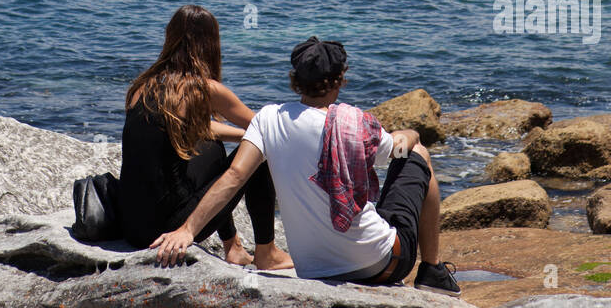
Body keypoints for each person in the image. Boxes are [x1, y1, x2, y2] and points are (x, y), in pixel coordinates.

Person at [152, 37, 459, 294]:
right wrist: (411, 133)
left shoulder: (268, 119)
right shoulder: (357, 125)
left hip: (314, 269)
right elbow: (400, 149)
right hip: (383, 265)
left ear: (295, 80)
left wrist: (187, 230)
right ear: (340, 80)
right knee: (418, 153)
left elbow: (234, 175)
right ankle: (432, 270)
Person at [119, 5, 292, 271]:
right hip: (168, 229)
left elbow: (197, 130)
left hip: (130, 224)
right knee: (258, 152)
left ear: (170, 37)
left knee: (211, 147)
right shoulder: (204, 89)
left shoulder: (143, 86)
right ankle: (266, 252)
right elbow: (266, 126)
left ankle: (232, 247)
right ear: (211, 44)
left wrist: (241, 134)